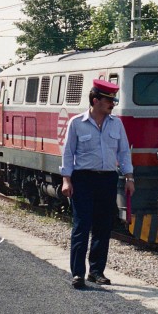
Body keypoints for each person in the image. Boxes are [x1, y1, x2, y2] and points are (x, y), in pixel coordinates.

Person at [60, 79, 134, 289]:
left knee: (103, 226)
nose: (113, 104)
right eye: (109, 100)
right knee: (81, 226)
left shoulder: (116, 123)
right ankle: (77, 273)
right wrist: (66, 180)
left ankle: (96, 271)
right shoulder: (76, 123)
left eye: (113, 100)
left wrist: (129, 177)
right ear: (95, 101)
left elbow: (124, 152)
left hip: (107, 179)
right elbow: (68, 153)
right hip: (83, 179)